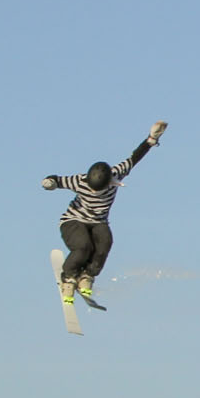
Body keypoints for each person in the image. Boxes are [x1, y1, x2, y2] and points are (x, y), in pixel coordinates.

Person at [42, 122, 166, 302]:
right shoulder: (80, 180)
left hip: (98, 222)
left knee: (105, 243)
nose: (93, 193)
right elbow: (58, 180)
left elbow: (134, 159)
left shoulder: (116, 174)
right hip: (73, 220)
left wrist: (151, 139)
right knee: (83, 246)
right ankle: (68, 276)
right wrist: (49, 182)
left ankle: (87, 275)